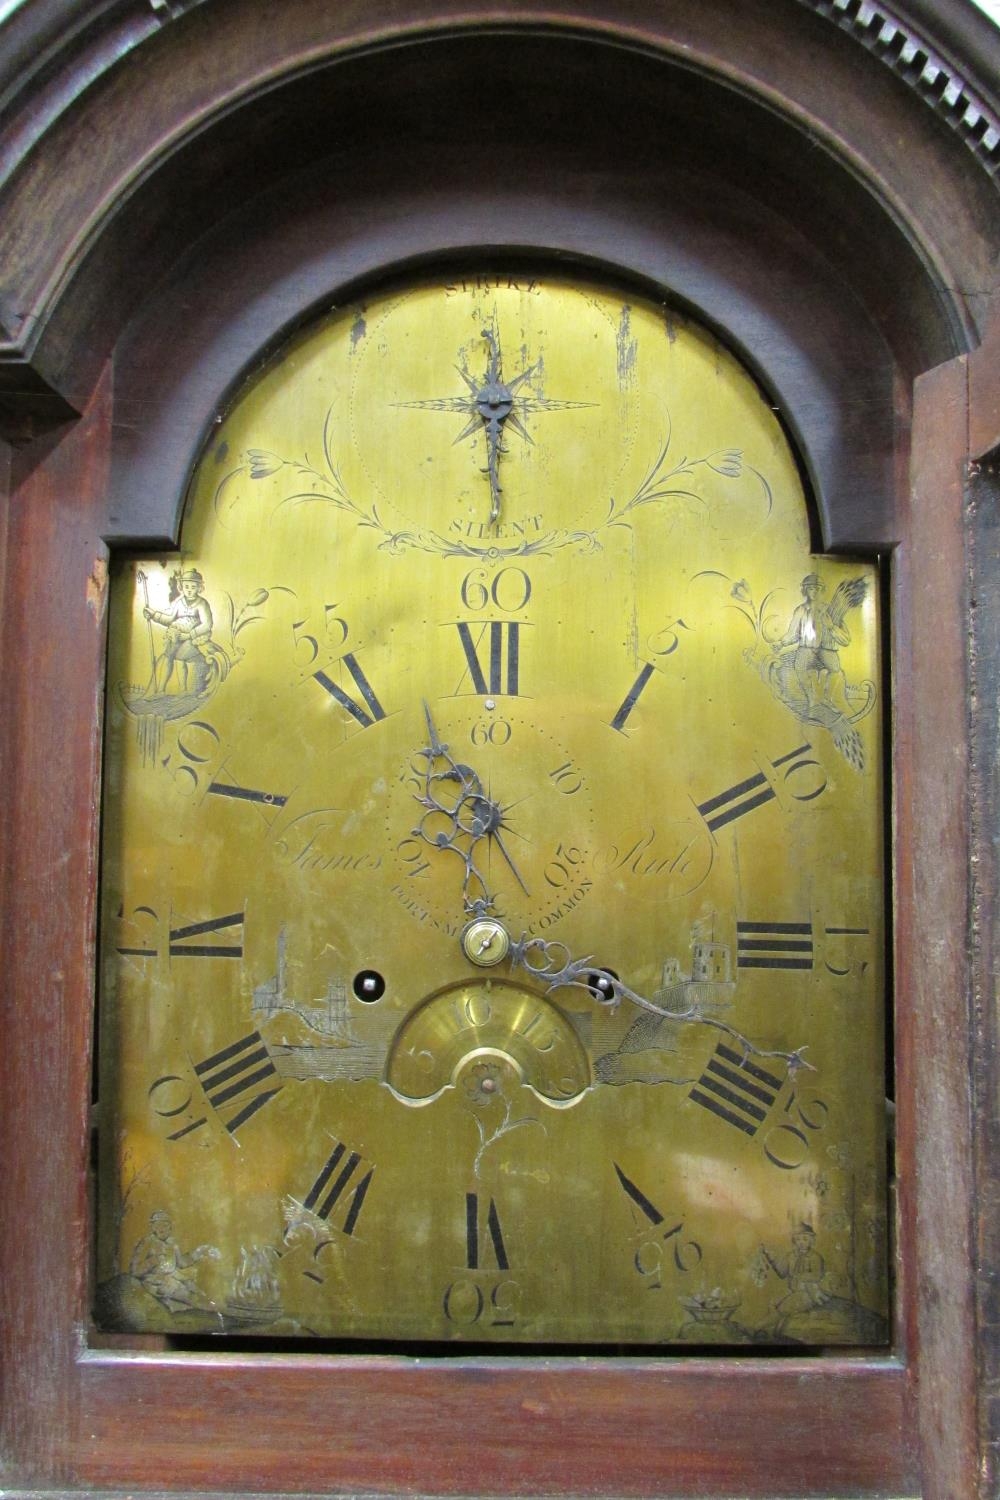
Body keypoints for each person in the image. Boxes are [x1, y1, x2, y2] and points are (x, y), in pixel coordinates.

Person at [129, 1209, 219, 1311]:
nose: (161, 1228)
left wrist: (198, 1253)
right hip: (155, 1281)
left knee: (198, 1292)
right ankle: (210, 1309)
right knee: (189, 1296)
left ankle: (214, 1308)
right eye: (157, 1225)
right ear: (152, 1227)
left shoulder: (172, 1244)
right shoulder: (147, 1243)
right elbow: (135, 1271)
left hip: (173, 1277)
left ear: (170, 1227)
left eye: (164, 1225)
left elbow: (181, 1263)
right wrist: (152, 1261)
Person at [144, 568, 214, 694]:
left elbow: (207, 624)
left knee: (181, 658)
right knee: (168, 657)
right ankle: (161, 690)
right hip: (176, 635)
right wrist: (154, 615)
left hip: (193, 639)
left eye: (193, 587)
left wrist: (189, 635)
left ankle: (183, 690)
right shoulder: (179, 602)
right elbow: (170, 618)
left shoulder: (202, 604)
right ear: (181, 587)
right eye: (186, 586)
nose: (189, 590)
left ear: (199, 588)